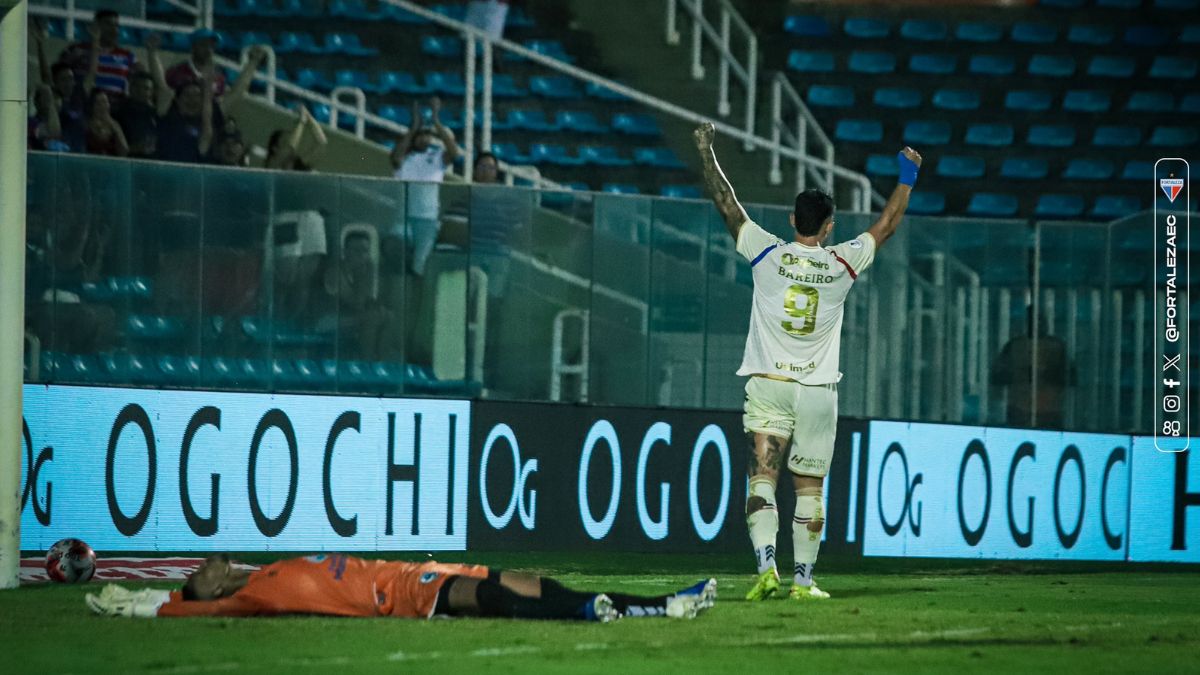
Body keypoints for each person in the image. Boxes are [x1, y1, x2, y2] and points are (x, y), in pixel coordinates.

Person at [693, 122, 922, 602]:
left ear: (792, 220)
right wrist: (906, 175)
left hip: (769, 383)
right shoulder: (842, 262)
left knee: (762, 479)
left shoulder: (766, 253)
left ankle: (765, 569)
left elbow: (726, 203)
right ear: (829, 225)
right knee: (809, 488)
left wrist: (706, 151)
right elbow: (888, 224)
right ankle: (803, 581)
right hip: (817, 391)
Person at [84, 553, 716, 622]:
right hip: (406, 597)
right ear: (210, 589)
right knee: (494, 601)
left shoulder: (270, 569)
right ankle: (586, 613)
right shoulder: (256, 597)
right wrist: (151, 605)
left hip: (417, 571)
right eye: (196, 578)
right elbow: (191, 613)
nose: (200, 565)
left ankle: (667, 603)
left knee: (533, 582)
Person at [389, 97, 460, 277]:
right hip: (404, 215)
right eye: (421, 135)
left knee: (419, 266)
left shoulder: (436, 157)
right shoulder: (404, 156)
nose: (424, 138)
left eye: (427, 134)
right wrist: (413, 128)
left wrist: (436, 121)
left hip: (427, 219)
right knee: (396, 257)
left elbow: (453, 152)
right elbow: (395, 159)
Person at [991, 309, 1074, 429]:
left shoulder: (1057, 346)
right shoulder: (1014, 345)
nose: (1038, 324)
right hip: (1020, 410)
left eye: (1041, 321)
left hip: (1049, 411)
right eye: (1034, 321)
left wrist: (1048, 374)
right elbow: (997, 376)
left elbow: (1070, 377)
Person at [57, 8, 138, 103]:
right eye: (108, 24)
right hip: (83, 105)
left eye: (116, 26)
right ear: (96, 26)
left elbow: (141, 80)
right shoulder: (76, 50)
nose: (113, 29)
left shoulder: (127, 55)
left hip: (115, 108)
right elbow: (58, 76)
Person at [32, 21, 87, 151]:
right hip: (61, 153)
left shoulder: (78, 98)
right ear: (55, 82)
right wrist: (40, 44)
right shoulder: (55, 100)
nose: (69, 83)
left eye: (71, 79)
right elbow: (46, 76)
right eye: (64, 80)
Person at [165, 28, 227, 98]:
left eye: (212, 46)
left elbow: (220, 102)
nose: (208, 50)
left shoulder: (219, 76)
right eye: (203, 45)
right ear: (193, 47)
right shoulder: (176, 72)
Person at [265, 105, 328, 171]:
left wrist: (308, 116)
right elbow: (290, 147)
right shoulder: (271, 165)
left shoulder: (297, 163)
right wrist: (301, 121)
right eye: (284, 143)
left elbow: (321, 142)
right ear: (274, 148)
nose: (293, 147)